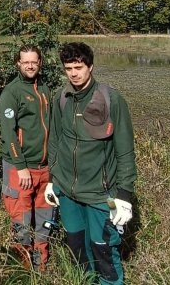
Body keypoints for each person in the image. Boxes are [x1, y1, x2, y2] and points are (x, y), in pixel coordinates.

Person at [45, 42, 137, 285]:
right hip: (67, 192)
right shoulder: (61, 97)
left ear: (91, 66)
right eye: (68, 68)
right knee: (77, 249)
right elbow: (55, 140)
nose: (74, 73)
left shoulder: (111, 100)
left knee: (104, 251)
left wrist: (124, 195)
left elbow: (125, 150)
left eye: (79, 67)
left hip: (100, 194)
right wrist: (52, 180)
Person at [0, 44, 54, 271]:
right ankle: (22, 266)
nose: (30, 65)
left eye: (34, 61)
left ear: (40, 63)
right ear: (18, 64)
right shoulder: (12, 92)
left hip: (45, 167)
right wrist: (20, 165)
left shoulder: (44, 89)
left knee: (44, 215)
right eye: (25, 62)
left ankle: (41, 263)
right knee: (21, 217)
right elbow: (8, 132)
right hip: (20, 167)